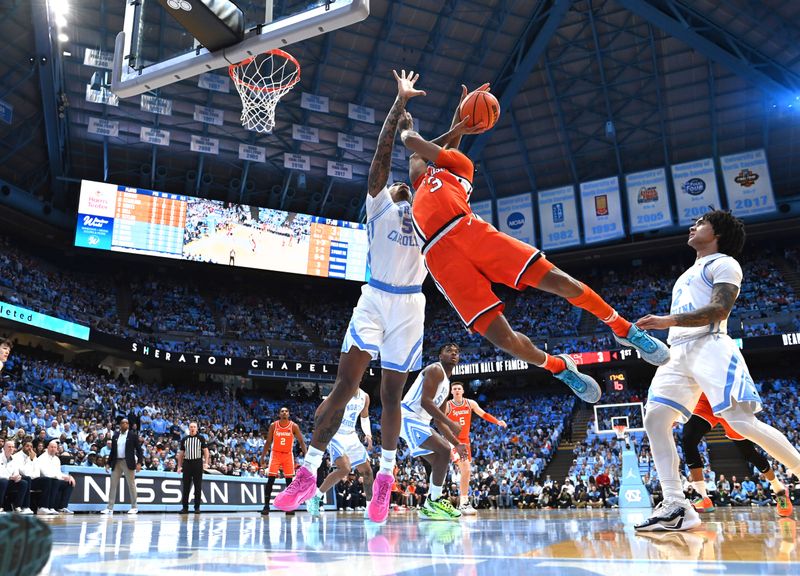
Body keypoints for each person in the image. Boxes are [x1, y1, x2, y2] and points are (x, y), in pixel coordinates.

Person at [399, 92, 669, 404]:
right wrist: (457, 124)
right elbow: (417, 156)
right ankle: (559, 367)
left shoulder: (462, 166)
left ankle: (622, 327)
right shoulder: (420, 181)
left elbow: (413, 144)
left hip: (470, 230)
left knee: (560, 282)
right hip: (439, 256)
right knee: (504, 340)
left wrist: (417, 129)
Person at [273, 70, 429, 525]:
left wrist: (420, 133)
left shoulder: (426, 212)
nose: (401, 184)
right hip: (375, 299)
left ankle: (384, 480)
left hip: (410, 304)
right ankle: (306, 473)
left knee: (391, 396)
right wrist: (398, 106)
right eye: (398, 184)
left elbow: (423, 165)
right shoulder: (379, 203)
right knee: (345, 387)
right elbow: (384, 155)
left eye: (407, 185)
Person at [634, 210, 800, 531]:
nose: (693, 226)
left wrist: (666, 321)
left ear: (718, 233)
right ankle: (677, 505)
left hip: (710, 345)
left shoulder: (725, 263)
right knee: (655, 419)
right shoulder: (686, 274)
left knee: (741, 423)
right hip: (677, 351)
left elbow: (719, 309)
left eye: (701, 223)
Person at [682, 392, 792, 516]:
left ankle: (779, 489)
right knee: (688, 439)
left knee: (749, 453)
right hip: (705, 400)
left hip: (728, 400)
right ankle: (703, 497)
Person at [399, 342, 466, 521]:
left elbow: (438, 420)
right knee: (443, 450)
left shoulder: (446, 383)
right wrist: (451, 422)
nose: (454, 353)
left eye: (457, 352)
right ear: (440, 356)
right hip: (408, 416)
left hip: (422, 421)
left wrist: (457, 443)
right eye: (449, 351)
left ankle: (430, 504)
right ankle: (434, 500)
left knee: (442, 457)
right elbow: (426, 402)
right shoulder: (435, 370)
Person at [305, 389, 374, 518]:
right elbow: (321, 410)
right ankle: (316, 497)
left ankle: (370, 507)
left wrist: (368, 435)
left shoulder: (365, 396)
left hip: (352, 436)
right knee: (345, 469)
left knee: (368, 471)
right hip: (336, 434)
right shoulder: (340, 390)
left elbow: (364, 418)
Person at [445, 382, 506, 514]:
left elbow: (483, 414)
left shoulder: (470, 403)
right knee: (466, 468)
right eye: (454, 389)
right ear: (451, 391)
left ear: (462, 391)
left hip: (465, 441)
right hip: (453, 441)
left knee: (466, 471)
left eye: (458, 388)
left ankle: (463, 502)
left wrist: (497, 421)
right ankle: (463, 502)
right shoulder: (447, 405)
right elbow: (440, 421)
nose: (456, 390)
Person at [260, 407, 307, 515]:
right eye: (282, 411)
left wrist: (306, 455)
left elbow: (301, 441)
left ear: (289, 414)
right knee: (270, 480)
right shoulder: (274, 425)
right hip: (275, 454)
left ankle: (289, 507)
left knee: (289, 482)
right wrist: (262, 456)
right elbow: (268, 441)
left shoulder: (294, 426)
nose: (284, 412)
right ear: (279, 414)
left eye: (286, 411)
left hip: (288, 455)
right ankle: (266, 506)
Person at [102, 418, 144, 515]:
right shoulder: (115, 435)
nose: (125, 424)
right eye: (123, 423)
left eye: (127, 423)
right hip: (116, 462)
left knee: (131, 484)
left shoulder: (133, 435)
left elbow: (139, 450)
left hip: (128, 462)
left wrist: (139, 463)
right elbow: (113, 451)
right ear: (120, 425)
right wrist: (108, 463)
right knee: (113, 485)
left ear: (128, 425)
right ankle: (110, 508)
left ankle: (134, 507)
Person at [176, 421, 209, 514]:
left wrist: (206, 462)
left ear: (197, 428)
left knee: (197, 486)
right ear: (189, 428)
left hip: (197, 462)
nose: (192, 428)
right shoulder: (185, 439)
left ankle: (197, 508)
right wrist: (179, 466)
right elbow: (181, 454)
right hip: (187, 463)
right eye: (191, 427)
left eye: (194, 427)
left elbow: (206, 451)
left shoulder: (201, 438)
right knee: (186, 486)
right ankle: (185, 508)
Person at [36, 440, 75, 514]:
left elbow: (58, 472)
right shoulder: (42, 458)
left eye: (55, 447)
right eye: (51, 447)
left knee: (69, 483)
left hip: (53, 479)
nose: (53, 449)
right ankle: (49, 507)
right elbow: (45, 473)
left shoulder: (57, 459)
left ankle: (62, 507)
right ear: (47, 447)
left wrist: (69, 477)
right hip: (42, 480)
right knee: (55, 481)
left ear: (57, 449)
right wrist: (60, 477)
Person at [0, 440, 32, 514]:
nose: (11, 448)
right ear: (4, 448)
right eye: (9, 447)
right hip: (2, 480)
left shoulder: (14, 459)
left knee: (23, 483)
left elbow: (16, 471)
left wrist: (17, 476)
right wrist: (10, 477)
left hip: (9, 480)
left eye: (12, 447)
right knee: (3, 481)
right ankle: (0, 507)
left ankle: (17, 506)